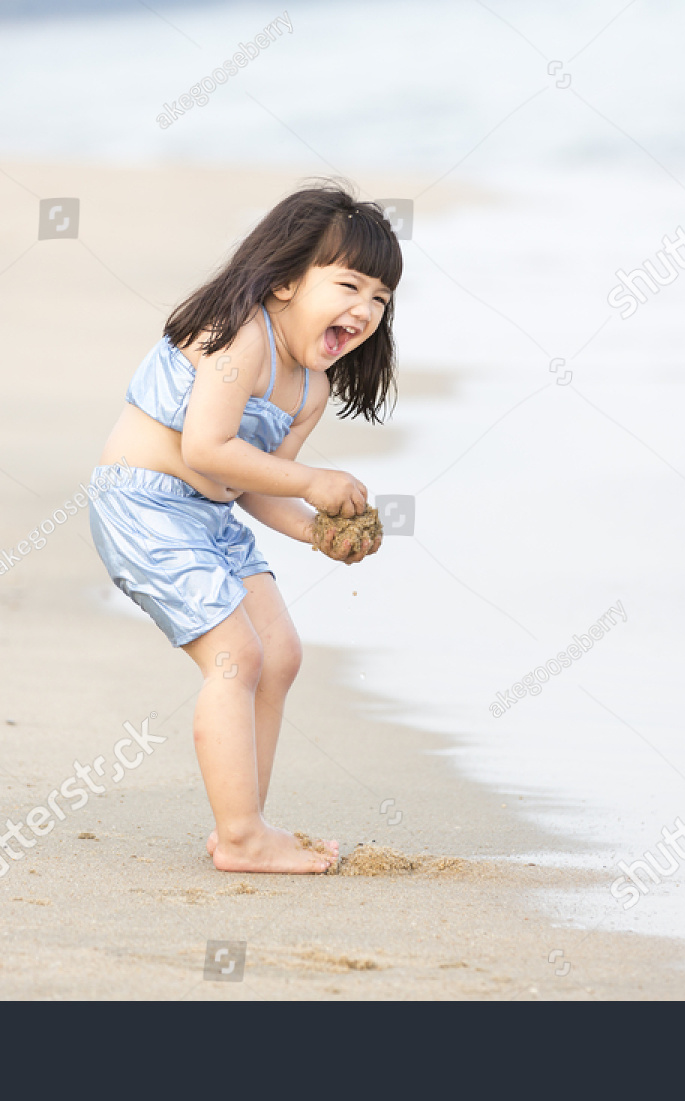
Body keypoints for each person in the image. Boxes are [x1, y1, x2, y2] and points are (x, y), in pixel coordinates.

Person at [90, 183, 400, 873]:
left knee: (281, 652)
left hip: (211, 516)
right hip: (144, 505)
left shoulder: (311, 388)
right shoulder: (239, 338)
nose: (366, 308)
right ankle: (241, 837)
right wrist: (316, 482)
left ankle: (247, 824)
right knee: (237, 656)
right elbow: (206, 449)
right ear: (287, 280)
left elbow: (258, 489)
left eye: (380, 297)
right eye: (349, 283)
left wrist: (318, 529)